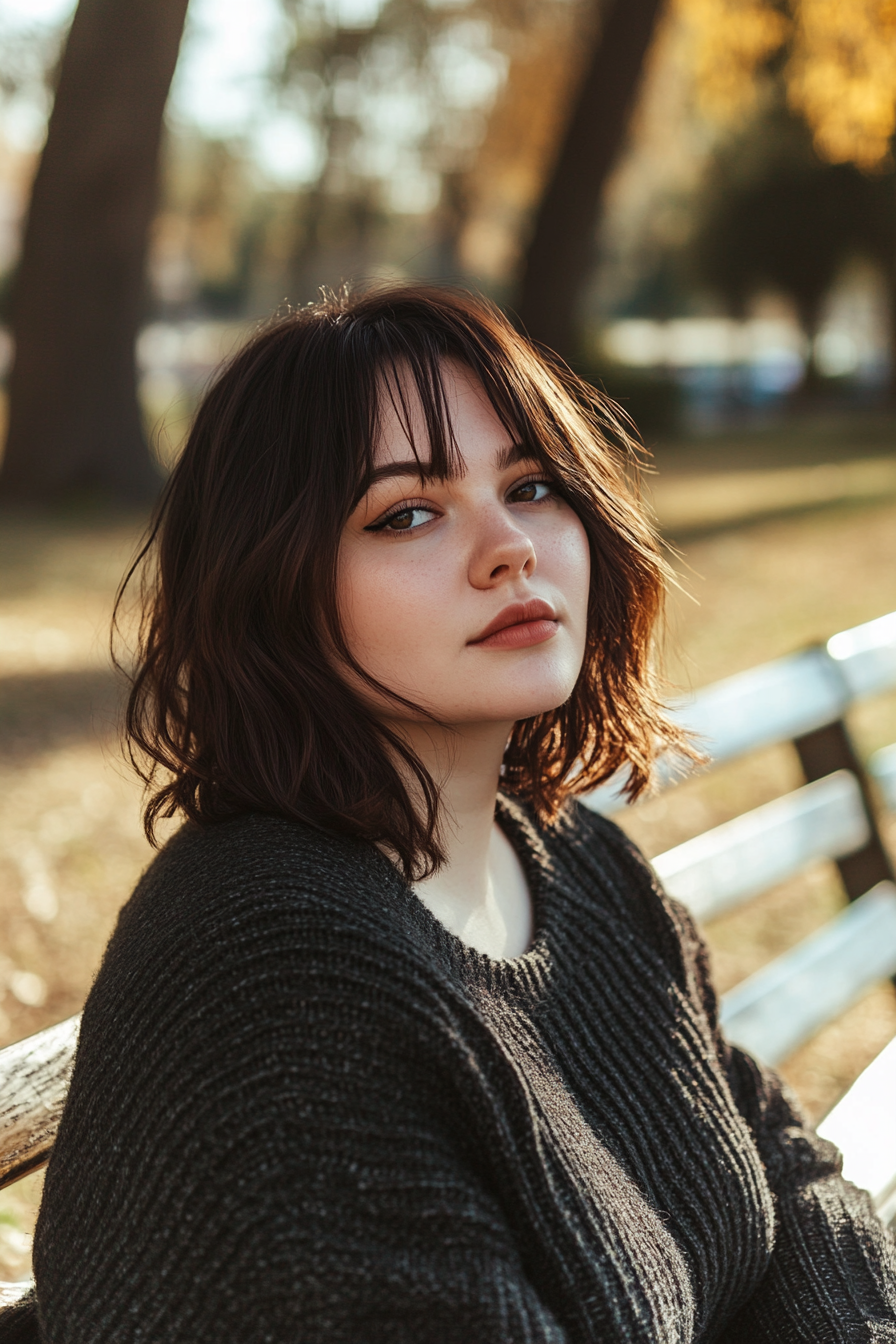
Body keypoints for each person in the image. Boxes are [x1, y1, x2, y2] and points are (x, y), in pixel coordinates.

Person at [13, 285, 896, 1342]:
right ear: (273, 586)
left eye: (530, 486)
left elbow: (788, 1178)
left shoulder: (578, 866)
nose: (507, 547)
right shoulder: (277, 975)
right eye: (406, 513)